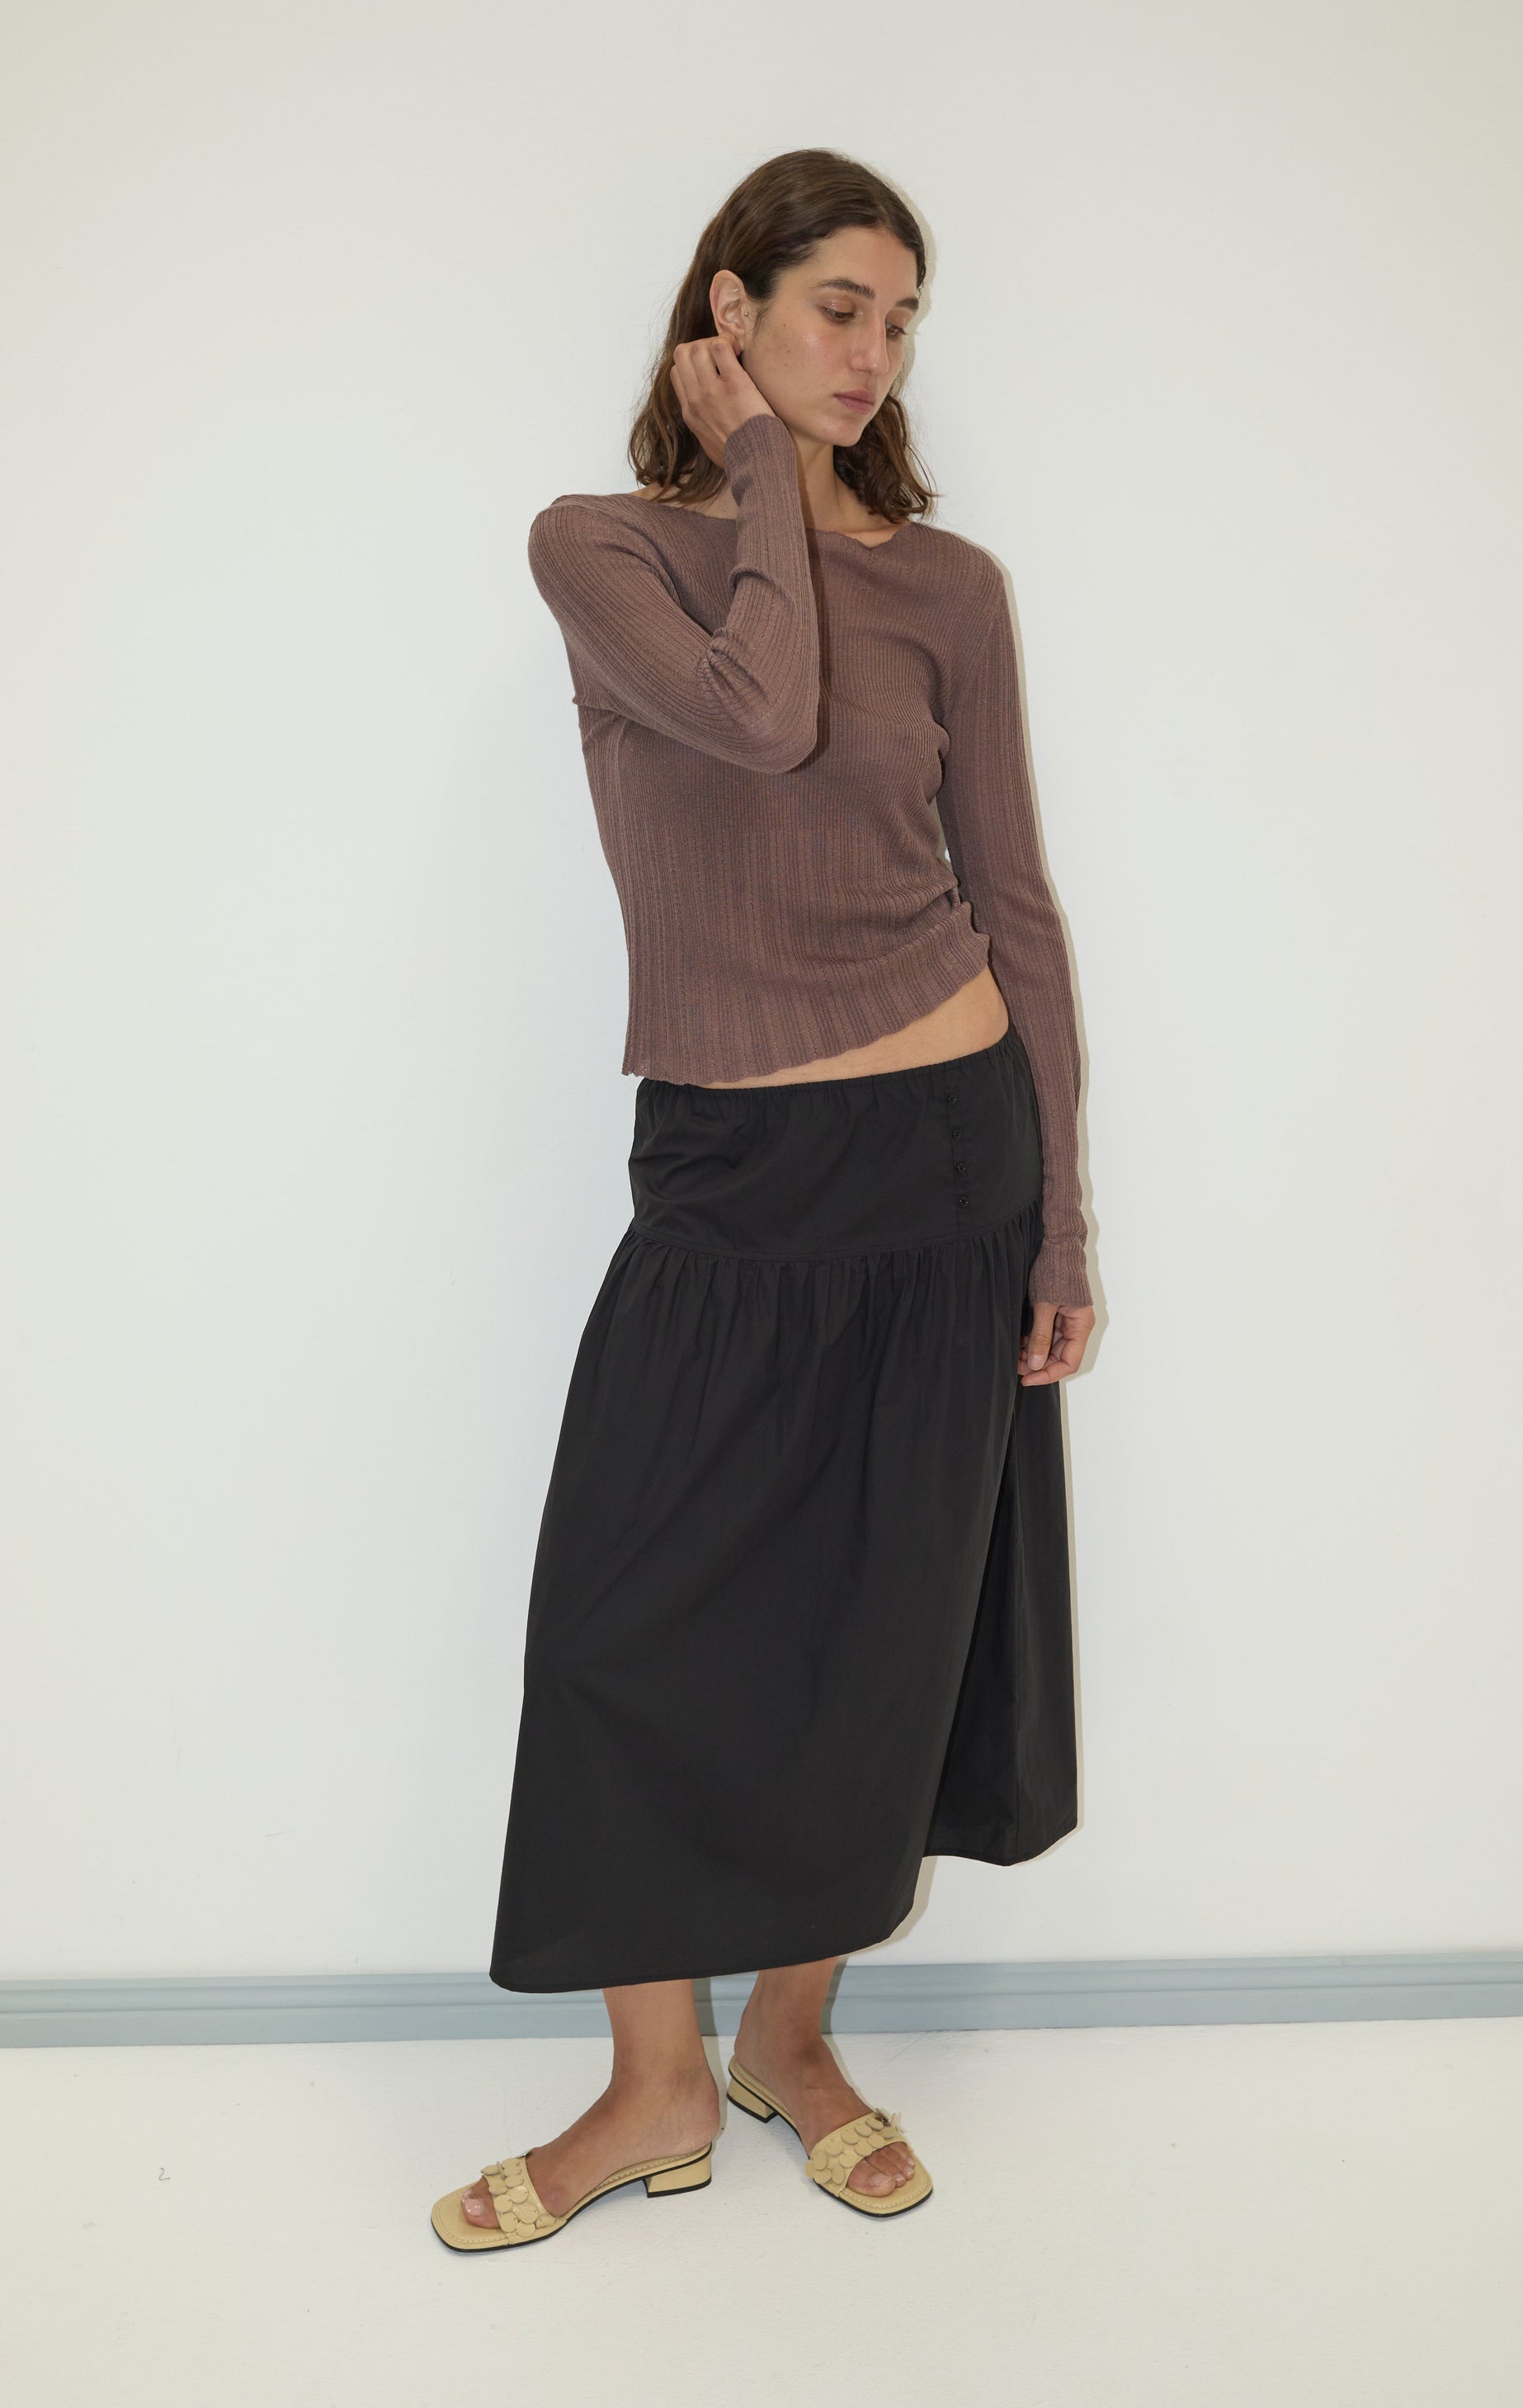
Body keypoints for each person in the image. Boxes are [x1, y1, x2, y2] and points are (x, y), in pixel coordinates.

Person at [431, 147, 1096, 2250]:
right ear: (730, 311)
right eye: (838, 306)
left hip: (946, 1161)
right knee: (630, 1619)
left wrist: (1063, 1215)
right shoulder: (602, 547)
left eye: (901, 319)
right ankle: (649, 2088)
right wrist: (767, 504)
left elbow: (1018, 903)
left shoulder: (955, 588)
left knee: (881, 1640)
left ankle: (788, 2042)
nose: (873, 351)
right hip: (732, 1164)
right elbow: (756, 704)